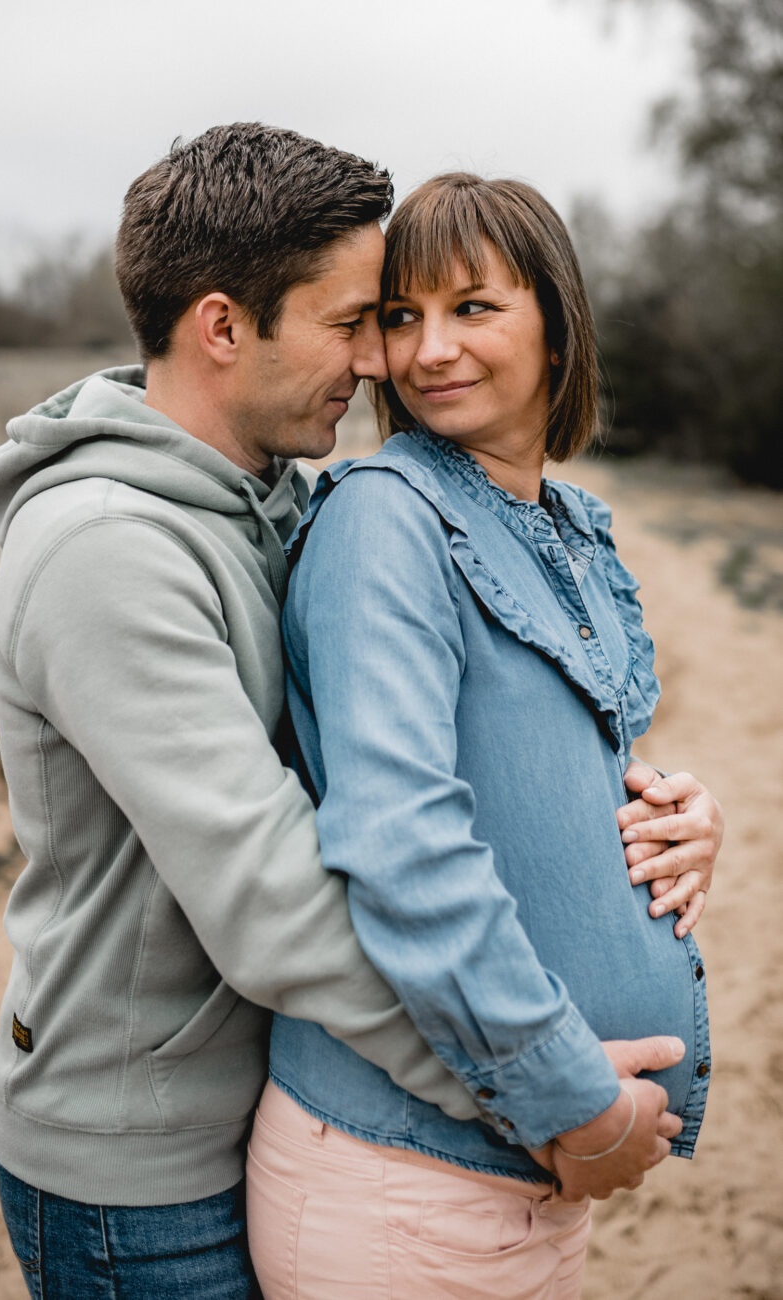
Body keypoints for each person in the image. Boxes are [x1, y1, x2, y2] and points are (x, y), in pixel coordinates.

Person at [247, 173, 719, 1299]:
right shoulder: (383, 518)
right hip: (406, 1178)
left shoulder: (565, 524)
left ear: (557, 323)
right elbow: (401, 839)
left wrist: (679, 812)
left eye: (472, 307)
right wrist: (576, 1102)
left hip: (521, 1186)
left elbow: (544, 763)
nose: (426, 350)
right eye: (400, 317)